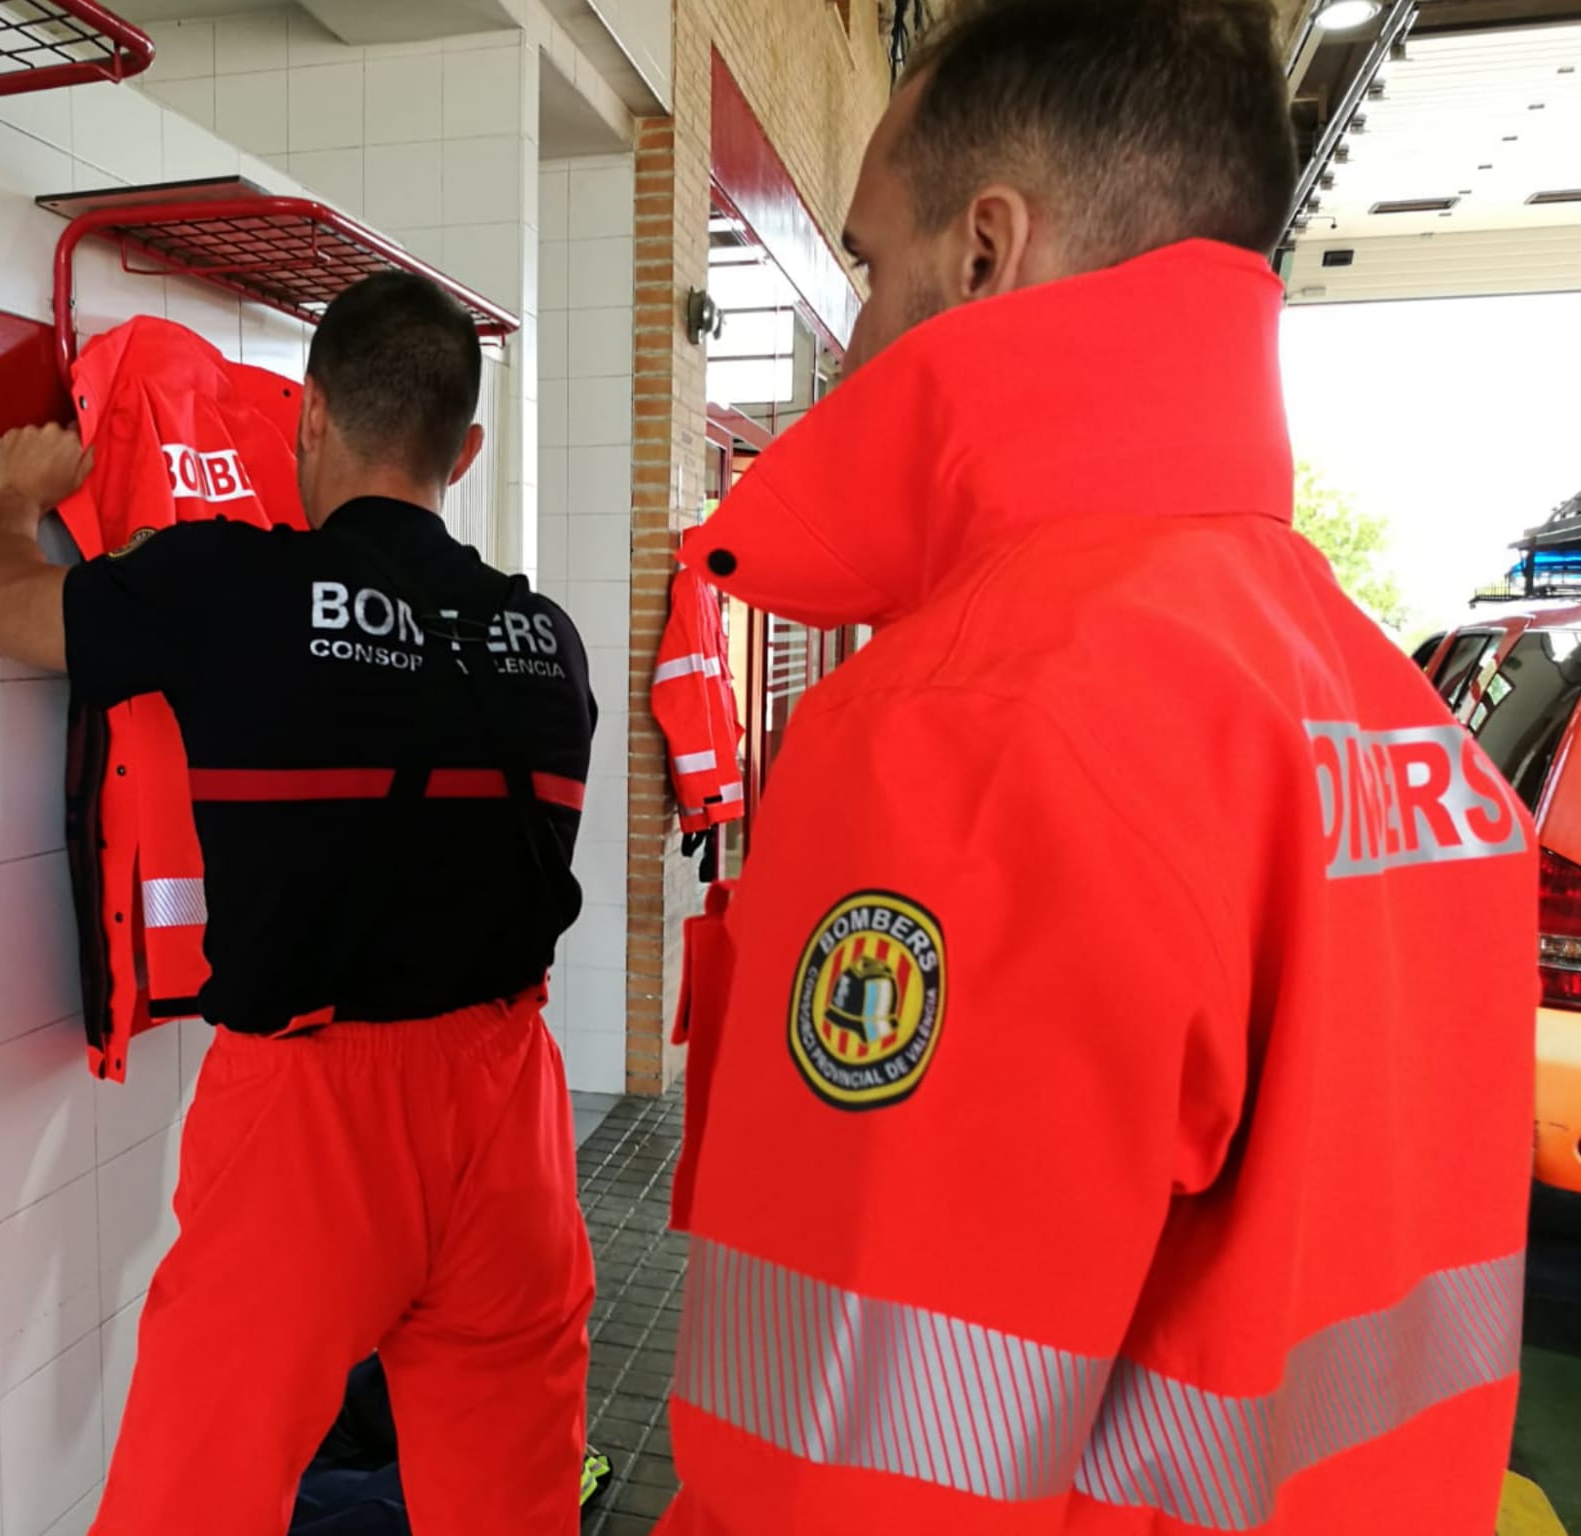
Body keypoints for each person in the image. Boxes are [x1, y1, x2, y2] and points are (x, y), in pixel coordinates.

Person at [655, 1, 1537, 1532]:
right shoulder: (1403, 725)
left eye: (867, 266)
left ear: (987, 251)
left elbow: (853, 1479)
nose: (851, 337)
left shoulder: (974, 728)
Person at [0, 271, 597, 1536]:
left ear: (306, 421)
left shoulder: (229, 588)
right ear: (463, 452)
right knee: (510, 1501)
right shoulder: (545, 640)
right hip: (512, 1107)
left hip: (309, 1117)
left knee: (192, 1497)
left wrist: (13, 500)